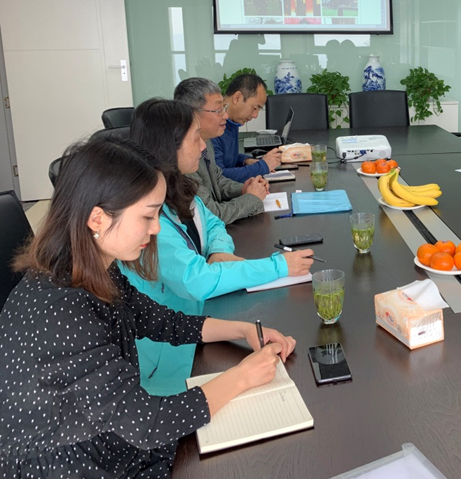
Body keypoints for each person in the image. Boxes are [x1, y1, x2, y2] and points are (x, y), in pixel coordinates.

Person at [0, 137, 296, 476]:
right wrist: (242, 377)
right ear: (97, 219)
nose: (156, 228)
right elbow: (148, 423)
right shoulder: (62, 313)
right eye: (148, 215)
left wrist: (243, 330)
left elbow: (160, 321)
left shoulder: (91, 269)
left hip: (105, 437)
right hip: (70, 464)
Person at [127, 99, 315, 394]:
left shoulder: (180, 186)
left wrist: (217, 252)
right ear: (168, 148)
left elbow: (213, 223)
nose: (203, 147)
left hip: (197, 326)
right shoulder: (148, 218)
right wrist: (278, 266)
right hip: (168, 364)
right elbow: (197, 280)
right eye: (195, 139)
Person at [174, 77, 267, 224]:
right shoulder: (183, 158)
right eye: (218, 110)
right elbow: (212, 215)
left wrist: (244, 188)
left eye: (224, 108)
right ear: (193, 113)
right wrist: (252, 198)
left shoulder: (206, 140)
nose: (225, 115)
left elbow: (217, 179)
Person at [212, 73, 282, 183]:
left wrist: (246, 160)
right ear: (237, 98)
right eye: (255, 108)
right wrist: (262, 166)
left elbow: (228, 159)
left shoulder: (233, 122)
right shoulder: (212, 128)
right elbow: (220, 176)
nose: (255, 115)